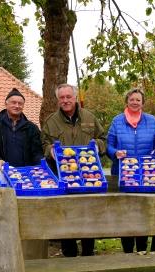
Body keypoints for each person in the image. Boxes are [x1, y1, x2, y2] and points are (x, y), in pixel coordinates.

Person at [41, 83, 106, 257]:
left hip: (88, 175)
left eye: (68, 97)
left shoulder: (89, 117)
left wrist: (97, 146)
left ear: (75, 97)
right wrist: (50, 151)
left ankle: (88, 252)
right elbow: (44, 144)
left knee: (87, 214)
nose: (65, 100)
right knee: (65, 214)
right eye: (61, 98)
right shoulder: (51, 121)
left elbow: (103, 139)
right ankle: (69, 253)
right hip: (63, 176)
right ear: (58, 100)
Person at [107, 88, 155, 253]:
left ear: (142, 103)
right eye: (132, 99)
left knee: (144, 211)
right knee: (125, 212)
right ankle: (127, 250)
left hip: (147, 174)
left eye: (138, 100)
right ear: (127, 101)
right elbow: (109, 145)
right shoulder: (117, 121)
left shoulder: (151, 121)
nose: (135, 102)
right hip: (123, 173)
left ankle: (141, 248)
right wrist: (115, 153)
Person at [0, 88, 43, 170]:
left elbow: (37, 152)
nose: (17, 106)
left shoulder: (32, 128)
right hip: (1, 172)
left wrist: (40, 167)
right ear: (6, 104)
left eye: (20, 103)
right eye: (13, 102)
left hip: (25, 175)